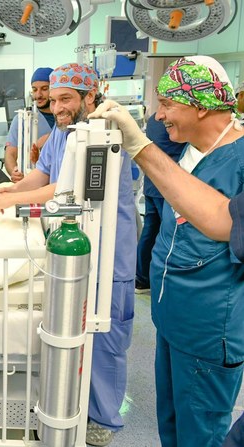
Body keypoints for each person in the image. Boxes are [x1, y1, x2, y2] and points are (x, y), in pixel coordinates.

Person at [89, 55, 244, 447]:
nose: (159, 117)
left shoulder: (238, 161)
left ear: (203, 104)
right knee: (172, 426)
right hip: (172, 320)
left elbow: (220, 220)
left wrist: (138, 145)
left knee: (199, 433)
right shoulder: (188, 153)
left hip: (208, 331)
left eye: (168, 104)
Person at [0, 62, 136, 446]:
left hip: (108, 251)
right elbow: (44, 174)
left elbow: (65, 192)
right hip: (72, 248)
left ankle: (104, 419)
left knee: (104, 334)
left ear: (91, 96)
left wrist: (14, 200)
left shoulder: (103, 133)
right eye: (52, 100)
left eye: (65, 99)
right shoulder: (61, 130)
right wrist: (9, 192)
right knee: (73, 329)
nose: (56, 107)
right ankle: (69, 399)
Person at [134, 113, 185, 293]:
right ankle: (161, 281)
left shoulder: (154, 118)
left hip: (152, 184)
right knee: (168, 235)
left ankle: (141, 278)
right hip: (167, 186)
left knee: (150, 230)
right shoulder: (175, 120)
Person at [4, 67, 55, 182]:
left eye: (44, 89)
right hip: (32, 181)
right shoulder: (23, 119)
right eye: (34, 89)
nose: (38, 95)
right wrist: (13, 171)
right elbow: (10, 154)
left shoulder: (64, 118)